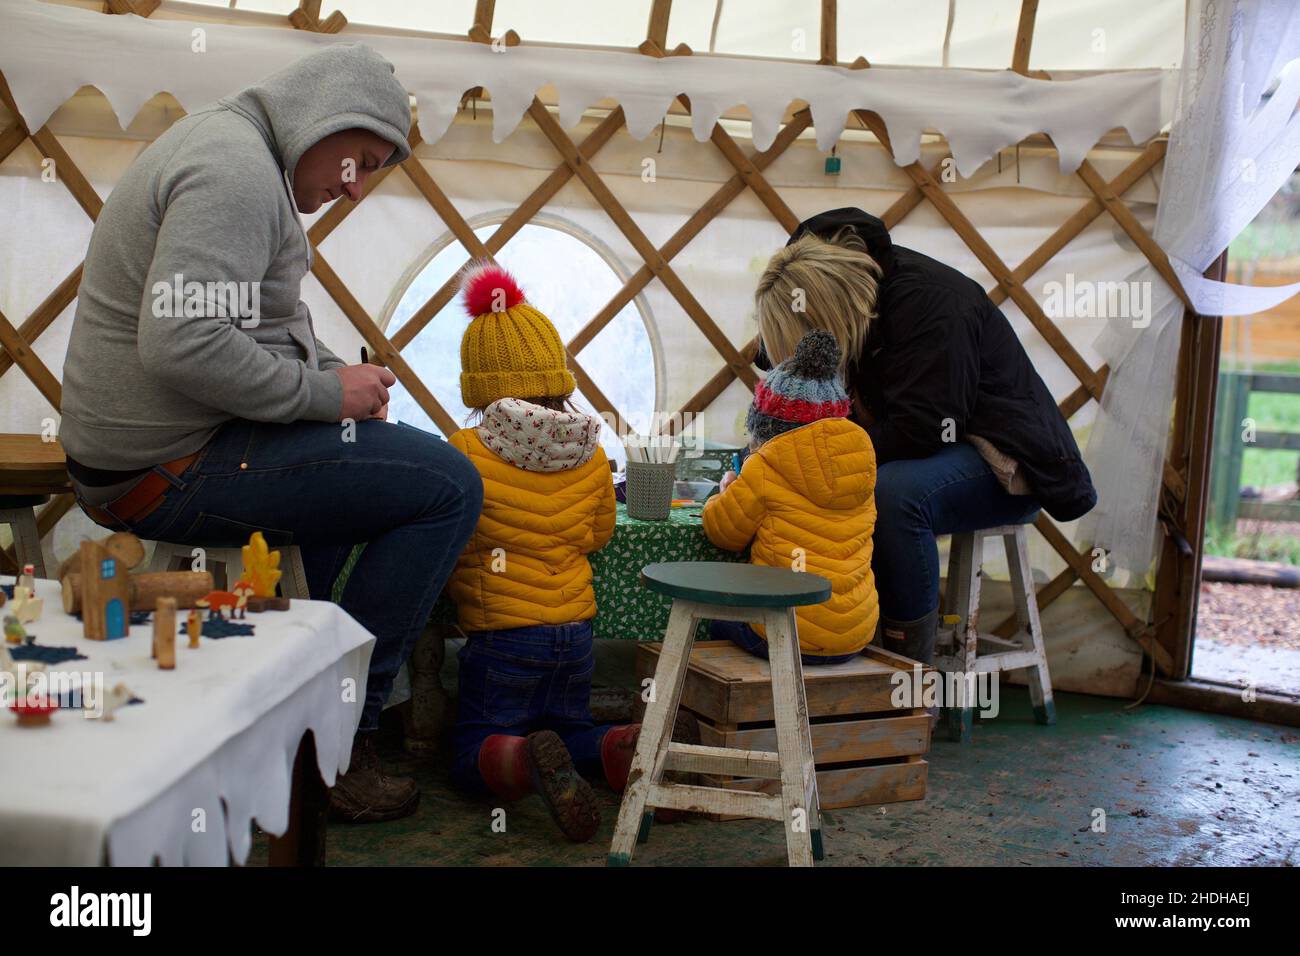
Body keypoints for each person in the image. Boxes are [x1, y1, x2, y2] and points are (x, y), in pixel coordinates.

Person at [59, 44, 483, 823]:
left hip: (171, 445)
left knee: (355, 483)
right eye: (356, 159)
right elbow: (183, 342)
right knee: (449, 486)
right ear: (325, 118)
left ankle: (294, 728)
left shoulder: (239, 153)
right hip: (160, 465)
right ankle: (342, 741)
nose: (352, 187)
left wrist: (343, 387)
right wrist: (324, 393)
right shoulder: (234, 171)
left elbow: (262, 326)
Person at [753, 208, 1097, 666]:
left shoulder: (934, 305)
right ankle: (828, 635)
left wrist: (822, 461)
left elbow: (925, 428)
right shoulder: (809, 272)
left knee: (892, 494)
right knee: (797, 476)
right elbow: (781, 360)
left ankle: (909, 668)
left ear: (834, 312)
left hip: (1003, 458)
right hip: (921, 440)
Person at [444, 263, 642, 844]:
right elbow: (599, 532)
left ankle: (520, 760)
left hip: (503, 632)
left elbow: (455, 530)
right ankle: (613, 746)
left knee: (473, 745)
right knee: (569, 726)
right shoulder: (589, 449)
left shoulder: (464, 452)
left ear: (480, 384)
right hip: (574, 632)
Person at [703, 330, 879, 664]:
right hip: (856, 635)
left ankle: (741, 710)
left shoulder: (767, 465)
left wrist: (725, 491)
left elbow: (722, 533)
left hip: (785, 634)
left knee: (715, 620)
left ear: (766, 429)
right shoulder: (862, 465)